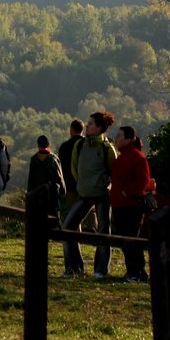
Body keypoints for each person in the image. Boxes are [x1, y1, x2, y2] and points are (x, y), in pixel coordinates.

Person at [61, 110, 118, 278]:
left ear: (99, 128)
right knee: (68, 228)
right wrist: (83, 184)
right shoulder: (80, 145)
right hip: (84, 193)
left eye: (91, 124)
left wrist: (101, 183)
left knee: (103, 231)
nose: (87, 126)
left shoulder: (107, 147)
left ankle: (101, 270)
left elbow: (112, 170)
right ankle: (74, 268)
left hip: (101, 194)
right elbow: (74, 168)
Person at [110, 125, 151, 283]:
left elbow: (143, 181)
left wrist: (126, 191)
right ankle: (132, 271)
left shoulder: (138, 157)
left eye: (119, 136)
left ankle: (137, 272)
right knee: (124, 239)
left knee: (132, 239)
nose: (116, 138)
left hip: (132, 205)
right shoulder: (120, 158)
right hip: (119, 205)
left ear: (128, 139)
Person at [57, 120, 95, 231]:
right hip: (86, 183)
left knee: (74, 210)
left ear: (71, 130)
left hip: (70, 184)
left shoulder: (64, 147)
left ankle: (77, 233)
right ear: (82, 130)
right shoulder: (87, 144)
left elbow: (61, 167)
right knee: (90, 208)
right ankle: (93, 227)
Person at [27, 135, 65, 226]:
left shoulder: (34, 159)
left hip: (37, 193)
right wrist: (63, 190)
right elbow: (59, 177)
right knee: (54, 215)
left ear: (38, 145)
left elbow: (31, 179)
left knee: (39, 217)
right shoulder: (54, 159)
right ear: (48, 145)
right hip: (52, 193)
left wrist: (30, 193)